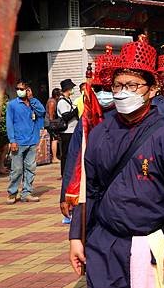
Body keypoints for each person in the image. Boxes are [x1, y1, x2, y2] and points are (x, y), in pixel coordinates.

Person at [69, 35, 164, 287]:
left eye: (133, 85)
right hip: (105, 243)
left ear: (152, 89)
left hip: (151, 242)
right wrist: (77, 235)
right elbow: (91, 190)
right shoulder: (100, 132)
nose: (122, 92)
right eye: (118, 85)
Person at [60, 47, 120, 221]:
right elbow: (73, 158)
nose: (104, 94)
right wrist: (66, 193)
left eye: (109, 88)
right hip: (93, 191)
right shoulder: (87, 120)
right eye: (99, 88)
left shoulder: (131, 117)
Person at [5, 81, 46, 204]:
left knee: (31, 168)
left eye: (22, 89)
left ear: (28, 90)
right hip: (18, 141)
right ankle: (12, 193)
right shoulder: (12, 105)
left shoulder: (33, 103)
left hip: (32, 140)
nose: (19, 91)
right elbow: (9, 123)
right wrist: (12, 140)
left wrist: (32, 99)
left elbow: (42, 112)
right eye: (18, 88)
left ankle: (27, 193)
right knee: (17, 169)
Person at [57, 79, 78, 177]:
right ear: (68, 89)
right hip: (66, 132)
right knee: (65, 153)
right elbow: (66, 116)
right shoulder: (62, 102)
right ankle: (64, 173)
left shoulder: (68, 100)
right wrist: (76, 110)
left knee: (72, 153)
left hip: (72, 130)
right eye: (72, 88)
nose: (73, 90)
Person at [45, 88, 61, 164]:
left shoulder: (53, 100)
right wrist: (54, 124)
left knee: (54, 139)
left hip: (50, 122)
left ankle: (54, 156)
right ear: (57, 95)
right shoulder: (52, 102)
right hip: (50, 123)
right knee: (54, 139)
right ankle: (54, 157)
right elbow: (51, 115)